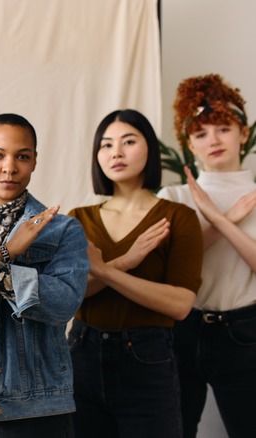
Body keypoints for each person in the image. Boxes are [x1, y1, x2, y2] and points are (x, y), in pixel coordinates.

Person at [0, 114, 88, 438]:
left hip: (36, 400)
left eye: (22, 156)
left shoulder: (61, 229)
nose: (9, 167)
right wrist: (7, 257)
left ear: (35, 160)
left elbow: (64, 303)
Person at [68, 109, 204, 438]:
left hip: (148, 360)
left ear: (150, 149)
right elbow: (70, 295)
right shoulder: (78, 219)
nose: (116, 152)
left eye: (129, 141)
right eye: (106, 144)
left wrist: (103, 271)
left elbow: (180, 304)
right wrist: (127, 262)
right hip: (81, 355)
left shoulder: (178, 217)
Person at [157, 74, 256, 438]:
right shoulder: (175, 196)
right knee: (175, 430)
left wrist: (217, 218)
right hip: (183, 328)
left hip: (247, 333)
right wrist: (225, 219)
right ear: (189, 145)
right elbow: (170, 265)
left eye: (223, 129)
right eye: (200, 134)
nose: (213, 140)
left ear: (243, 133)